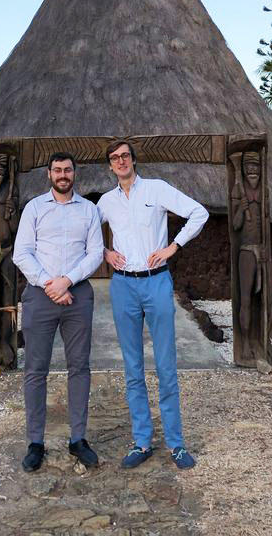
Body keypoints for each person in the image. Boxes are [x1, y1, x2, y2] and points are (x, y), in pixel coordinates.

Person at [97, 140, 208, 470]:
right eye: (115, 158)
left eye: (125, 156)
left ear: (133, 160)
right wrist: (105, 253)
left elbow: (198, 213)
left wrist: (174, 246)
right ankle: (142, 441)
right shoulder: (105, 202)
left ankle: (175, 444)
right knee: (132, 367)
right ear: (110, 166)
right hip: (123, 287)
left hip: (157, 281)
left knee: (165, 365)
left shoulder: (157, 190)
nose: (121, 161)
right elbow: (86, 230)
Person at [13, 151, 104, 473]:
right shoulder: (35, 208)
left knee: (79, 366)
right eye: (57, 170)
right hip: (40, 296)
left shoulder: (89, 211)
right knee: (36, 369)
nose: (62, 174)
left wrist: (67, 281)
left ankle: (78, 439)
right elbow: (21, 252)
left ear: (74, 174)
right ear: (49, 174)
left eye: (67, 170)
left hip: (78, 295)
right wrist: (49, 284)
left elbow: (95, 253)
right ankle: (35, 442)